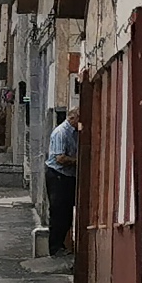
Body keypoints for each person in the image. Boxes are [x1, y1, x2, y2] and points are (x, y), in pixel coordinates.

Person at [43, 101, 79, 257]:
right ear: (72, 118)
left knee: (67, 213)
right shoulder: (61, 132)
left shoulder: (75, 132)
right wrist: (78, 161)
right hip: (58, 175)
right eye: (79, 119)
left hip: (68, 176)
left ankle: (62, 244)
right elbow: (60, 158)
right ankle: (55, 247)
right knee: (58, 212)